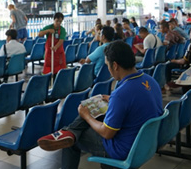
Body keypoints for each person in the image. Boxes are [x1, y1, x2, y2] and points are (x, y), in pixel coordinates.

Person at [37, 41, 163, 169]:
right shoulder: (150, 80)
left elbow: (107, 133)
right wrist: (113, 100)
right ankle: (68, 132)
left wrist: (87, 116)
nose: (108, 70)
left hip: (123, 149)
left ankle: (69, 133)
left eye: (107, 65)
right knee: (95, 113)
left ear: (115, 65)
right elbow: (136, 102)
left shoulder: (121, 94)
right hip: (145, 143)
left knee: (74, 140)